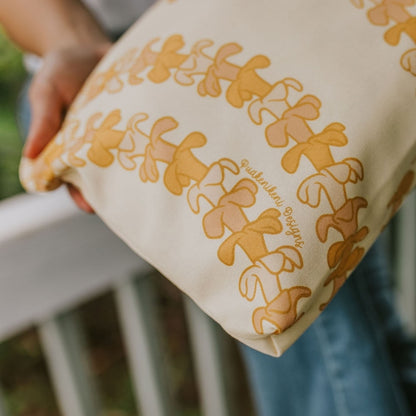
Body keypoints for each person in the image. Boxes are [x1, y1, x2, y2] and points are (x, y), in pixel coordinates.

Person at [1, 1, 416, 415]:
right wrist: (80, 47)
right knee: (328, 312)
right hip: (110, 61)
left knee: (326, 302)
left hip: (282, 30)